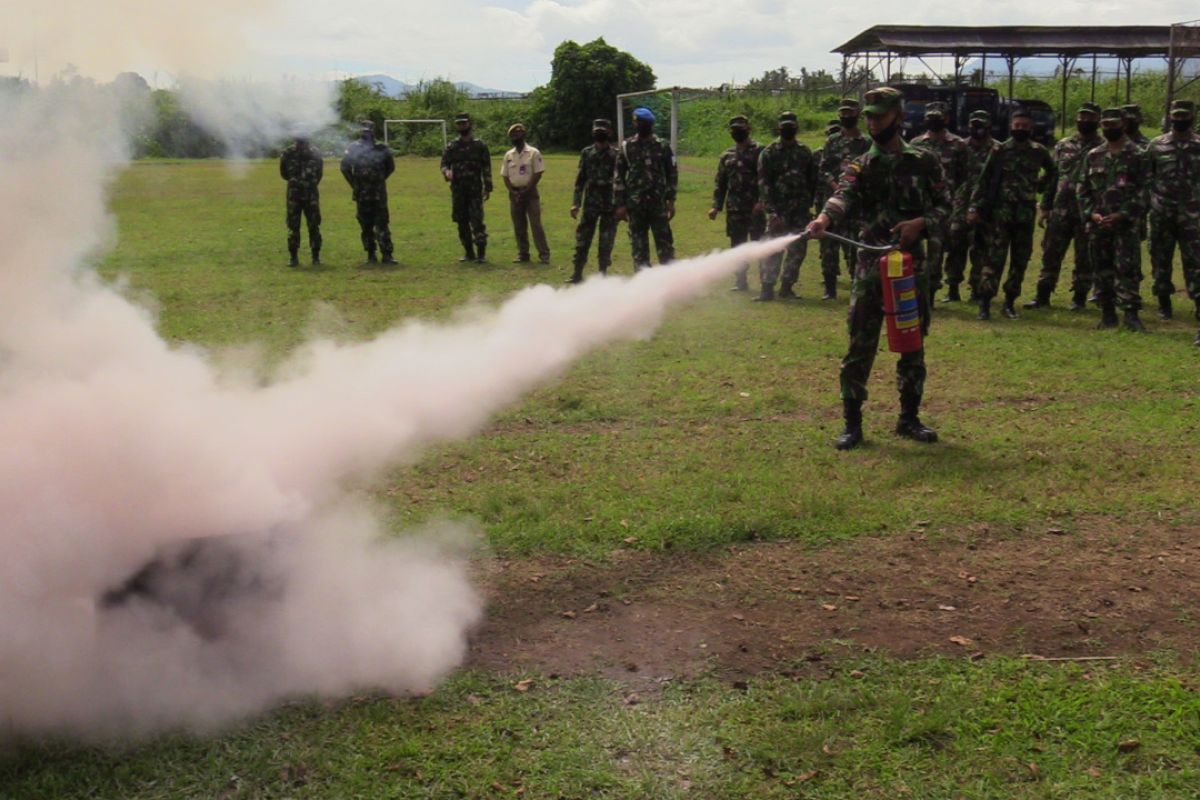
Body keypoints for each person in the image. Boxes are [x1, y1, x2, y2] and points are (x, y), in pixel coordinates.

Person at [806, 87, 951, 451]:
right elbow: (843, 195)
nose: (871, 122)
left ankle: (909, 419)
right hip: (870, 269)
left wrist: (921, 223)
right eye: (868, 116)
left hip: (910, 269)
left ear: (898, 117)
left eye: (879, 116)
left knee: (911, 345)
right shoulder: (860, 164)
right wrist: (824, 218)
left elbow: (947, 208)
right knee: (860, 344)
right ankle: (852, 425)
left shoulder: (924, 161)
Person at [968, 108, 1056, 320]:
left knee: (1020, 260)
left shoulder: (1039, 151)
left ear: (1031, 128)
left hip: (1025, 214)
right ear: (1010, 126)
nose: (1020, 130)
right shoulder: (999, 150)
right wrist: (974, 207)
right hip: (1000, 214)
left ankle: (1009, 302)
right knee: (993, 259)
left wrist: (1040, 188)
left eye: (1024, 127)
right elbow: (984, 180)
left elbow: (1053, 173)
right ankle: (985, 303)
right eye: (1017, 126)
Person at [1077, 108, 1152, 332]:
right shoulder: (1093, 155)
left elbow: (1145, 190)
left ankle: (1131, 314)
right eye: (1106, 126)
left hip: (1125, 224)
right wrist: (1091, 213)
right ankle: (1107, 313)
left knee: (1127, 268)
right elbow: (1082, 190)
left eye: (1114, 125)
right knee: (1101, 268)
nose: (1110, 129)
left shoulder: (1138, 155)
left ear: (1123, 125)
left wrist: (1124, 214)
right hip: (1098, 224)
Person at [1027, 102, 1104, 310]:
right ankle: (1042, 296)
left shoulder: (1102, 148)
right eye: (1081, 117)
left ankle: (1079, 298)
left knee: (1084, 256)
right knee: (1051, 253)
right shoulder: (1063, 145)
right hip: (1060, 210)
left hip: (1087, 211)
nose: (1084, 122)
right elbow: (1053, 178)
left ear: (1098, 121)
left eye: (1089, 118)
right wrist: (1045, 206)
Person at [1146, 99, 1200, 335]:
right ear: (1170, 117)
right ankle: (1163, 302)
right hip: (1162, 213)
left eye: (1184, 116)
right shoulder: (1156, 145)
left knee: (1195, 261)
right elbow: (1147, 178)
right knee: (1160, 258)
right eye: (1176, 116)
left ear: (1192, 118)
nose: (1179, 120)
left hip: (1193, 214)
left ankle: (1198, 302)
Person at [910, 101, 968, 303]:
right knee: (918, 251)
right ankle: (921, 291)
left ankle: (937, 291)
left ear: (947, 119)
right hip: (920, 206)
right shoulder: (916, 144)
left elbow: (964, 175)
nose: (933, 120)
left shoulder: (958, 145)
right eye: (930, 117)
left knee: (939, 250)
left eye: (938, 117)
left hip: (944, 206)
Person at [756, 111, 818, 301]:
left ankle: (787, 287)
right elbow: (764, 184)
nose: (787, 129)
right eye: (784, 126)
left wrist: (809, 206)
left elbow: (812, 181)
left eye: (791, 126)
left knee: (797, 251)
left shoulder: (805, 152)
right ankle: (767, 289)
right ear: (779, 128)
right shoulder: (768, 153)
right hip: (778, 211)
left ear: (796, 127)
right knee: (772, 249)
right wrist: (772, 212)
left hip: (799, 211)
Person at [943, 110, 998, 302]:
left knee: (981, 248)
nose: (977, 129)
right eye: (974, 125)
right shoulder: (960, 147)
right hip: (960, 205)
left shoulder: (997, 149)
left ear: (989, 126)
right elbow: (952, 175)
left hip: (985, 207)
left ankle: (976, 289)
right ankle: (952, 288)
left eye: (981, 125)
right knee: (956, 247)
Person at [818, 99, 870, 300]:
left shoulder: (866, 143)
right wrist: (834, 185)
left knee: (854, 246)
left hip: (855, 206)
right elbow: (823, 169)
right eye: (843, 114)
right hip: (833, 201)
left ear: (857, 115)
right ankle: (829, 289)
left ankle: (856, 285)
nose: (846, 117)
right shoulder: (832, 141)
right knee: (829, 247)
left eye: (850, 114)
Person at [614, 107, 677, 270]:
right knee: (639, 249)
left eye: (643, 123)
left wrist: (671, 200)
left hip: (658, 204)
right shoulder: (627, 146)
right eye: (637, 122)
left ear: (650, 124)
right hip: (635, 207)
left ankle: (672, 284)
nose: (639, 125)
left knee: (665, 247)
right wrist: (620, 205)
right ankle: (645, 288)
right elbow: (619, 176)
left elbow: (672, 173)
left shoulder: (662, 145)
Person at [708, 115, 766, 291]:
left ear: (749, 128)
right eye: (734, 129)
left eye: (741, 128)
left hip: (756, 209)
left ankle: (766, 283)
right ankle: (740, 281)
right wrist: (716, 206)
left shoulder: (760, 151)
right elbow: (721, 183)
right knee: (737, 246)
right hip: (734, 209)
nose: (737, 131)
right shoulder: (727, 155)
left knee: (761, 245)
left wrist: (762, 201)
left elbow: (766, 179)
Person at [568, 118, 619, 283]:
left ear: (610, 133)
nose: (600, 133)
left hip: (609, 206)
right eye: (597, 130)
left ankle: (602, 276)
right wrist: (576, 203)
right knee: (582, 240)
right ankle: (577, 274)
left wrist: (621, 206)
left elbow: (621, 182)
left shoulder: (616, 155)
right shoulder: (586, 153)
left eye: (603, 130)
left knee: (606, 243)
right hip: (590, 205)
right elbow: (580, 179)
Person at [340, 121, 396, 265]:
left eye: (369, 131)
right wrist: (355, 184)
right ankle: (370, 254)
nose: (367, 134)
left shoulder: (382, 148)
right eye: (364, 131)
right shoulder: (353, 148)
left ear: (373, 132)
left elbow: (390, 167)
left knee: (382, 224)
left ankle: (387, 255)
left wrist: (379, 179)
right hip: (361, 194)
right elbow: (345, 168)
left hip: (378, 193)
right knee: (365, 225)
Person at [440, 112, 493, 263]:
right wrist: (446, 171)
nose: (461, 126)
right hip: (458, 191)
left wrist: (488, 187)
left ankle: (481, 254)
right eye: (458, 123)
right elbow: (444, 164)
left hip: (475, 191)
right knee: (461, 222)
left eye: (464, 123)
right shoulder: (452, 146)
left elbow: (486, 168)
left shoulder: (480, 146)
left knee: (477, 222)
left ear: (470, 124)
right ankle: (469, 252)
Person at [501, 123, 550, 264]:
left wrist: (526, 190)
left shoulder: (533, 152)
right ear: (511, 137)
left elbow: (538, 173)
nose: (517, 135)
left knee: (536, 224)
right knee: (519, 225)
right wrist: (512, 191)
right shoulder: (508, 155)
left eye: (519, 133)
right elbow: (505, 175)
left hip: (530, 192)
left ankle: (544, 254)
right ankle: (523, 254)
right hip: (514, 193)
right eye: (514, 134)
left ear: (524, 135)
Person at [279, 135, 323, 267]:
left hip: (311, 196)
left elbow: (319, 174)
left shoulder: (315, 153)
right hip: (294, 196)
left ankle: (316, 257)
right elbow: (284, 173)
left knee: (314, 225)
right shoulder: (288, 153)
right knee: (293, 226)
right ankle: (293, 257)